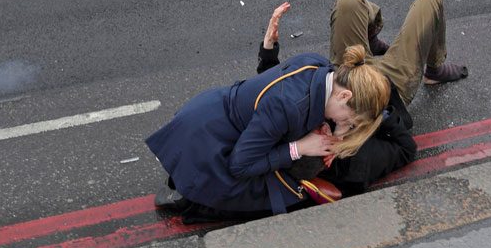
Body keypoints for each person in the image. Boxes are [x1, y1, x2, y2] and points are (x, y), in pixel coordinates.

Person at [145, 43, 391, 222]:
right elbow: (240, 165)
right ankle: (192, 199)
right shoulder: (288, 107)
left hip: (211, 116)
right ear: (344, 95)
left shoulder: (320, 66)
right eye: (348, 121)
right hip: (207, 145)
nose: (344, 127)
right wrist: (300, 148)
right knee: (280, 197)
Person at [255, 0, 468, 195]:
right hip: (390, 85)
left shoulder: (297, 129)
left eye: (316, 132)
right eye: (325, 137)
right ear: (328, 158)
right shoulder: (356, 167)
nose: (322, 128)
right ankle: (434, 67)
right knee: (430, 0)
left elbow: (274, 94)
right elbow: (406, 149)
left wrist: (268, 49)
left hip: (349, 71)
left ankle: (370, 40)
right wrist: (378, 112)